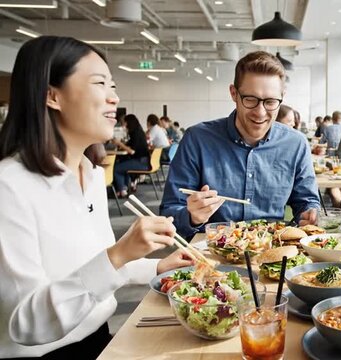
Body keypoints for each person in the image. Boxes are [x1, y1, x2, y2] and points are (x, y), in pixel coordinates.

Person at [0, 36, 191, 359]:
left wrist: (156, 265)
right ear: (52, 96)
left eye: (112, 86)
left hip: (100, 339)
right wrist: (119, 253)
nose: (114, 98)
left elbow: (92, 267)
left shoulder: (88, 174)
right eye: (100, 83)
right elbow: (27, 324)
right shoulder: (10, 186)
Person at [160, 51, 320, 237]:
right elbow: (169, 212)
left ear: (282, 97)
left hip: (272, 250)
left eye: (270, 102)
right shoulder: (197, 139)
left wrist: (310, 213)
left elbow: (306, 201)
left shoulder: (295, 143)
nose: (260, 113)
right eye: (250, 100)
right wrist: (191, 217)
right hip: (210, 253)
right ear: (234, 94)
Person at [112, 114, 150, 197]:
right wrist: (123, 144)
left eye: (124, 122)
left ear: (128, 123)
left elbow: (132, 151)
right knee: (122, 165)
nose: (124, 124)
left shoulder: (136, 133)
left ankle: (122, 190)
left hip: (141, 162)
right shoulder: (138, 131)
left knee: (116, 168)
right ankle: (124, 188)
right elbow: (131, 145)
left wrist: (119, 143)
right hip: (144, 161)